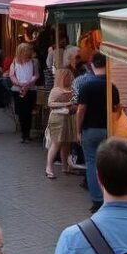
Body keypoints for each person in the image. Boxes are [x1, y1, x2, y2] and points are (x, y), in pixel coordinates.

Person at [76, 52, 118, 212]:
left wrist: (78, 129)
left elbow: (81, 109)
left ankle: (97, 200)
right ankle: (110, 196)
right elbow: (117, 110)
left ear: (92, 64)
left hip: (90, 130)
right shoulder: (111, 87)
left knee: (92, 163)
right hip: (108, 130)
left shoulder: (87, 86)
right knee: (107, 163)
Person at [44, 48, 79, 179]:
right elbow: (50, 103)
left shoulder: (71, 89)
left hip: (68, 117)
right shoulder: (56, 90)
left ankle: (65, 166)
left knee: (66, 143)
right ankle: (49, 167)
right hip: (58, 118)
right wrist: (65, 104)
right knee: (56, 143)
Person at [7, 43, 40, 143]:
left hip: (30, 89)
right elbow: (12, 75)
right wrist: (19, 83)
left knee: (28, 112)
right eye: (27, 50)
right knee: (21, 112)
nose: (29, 52)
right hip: (18, 90)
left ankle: (27, 133)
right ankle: (23, 133)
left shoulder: (34, 62)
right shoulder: (14, 62)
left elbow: (36, 75)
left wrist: (29, 82)